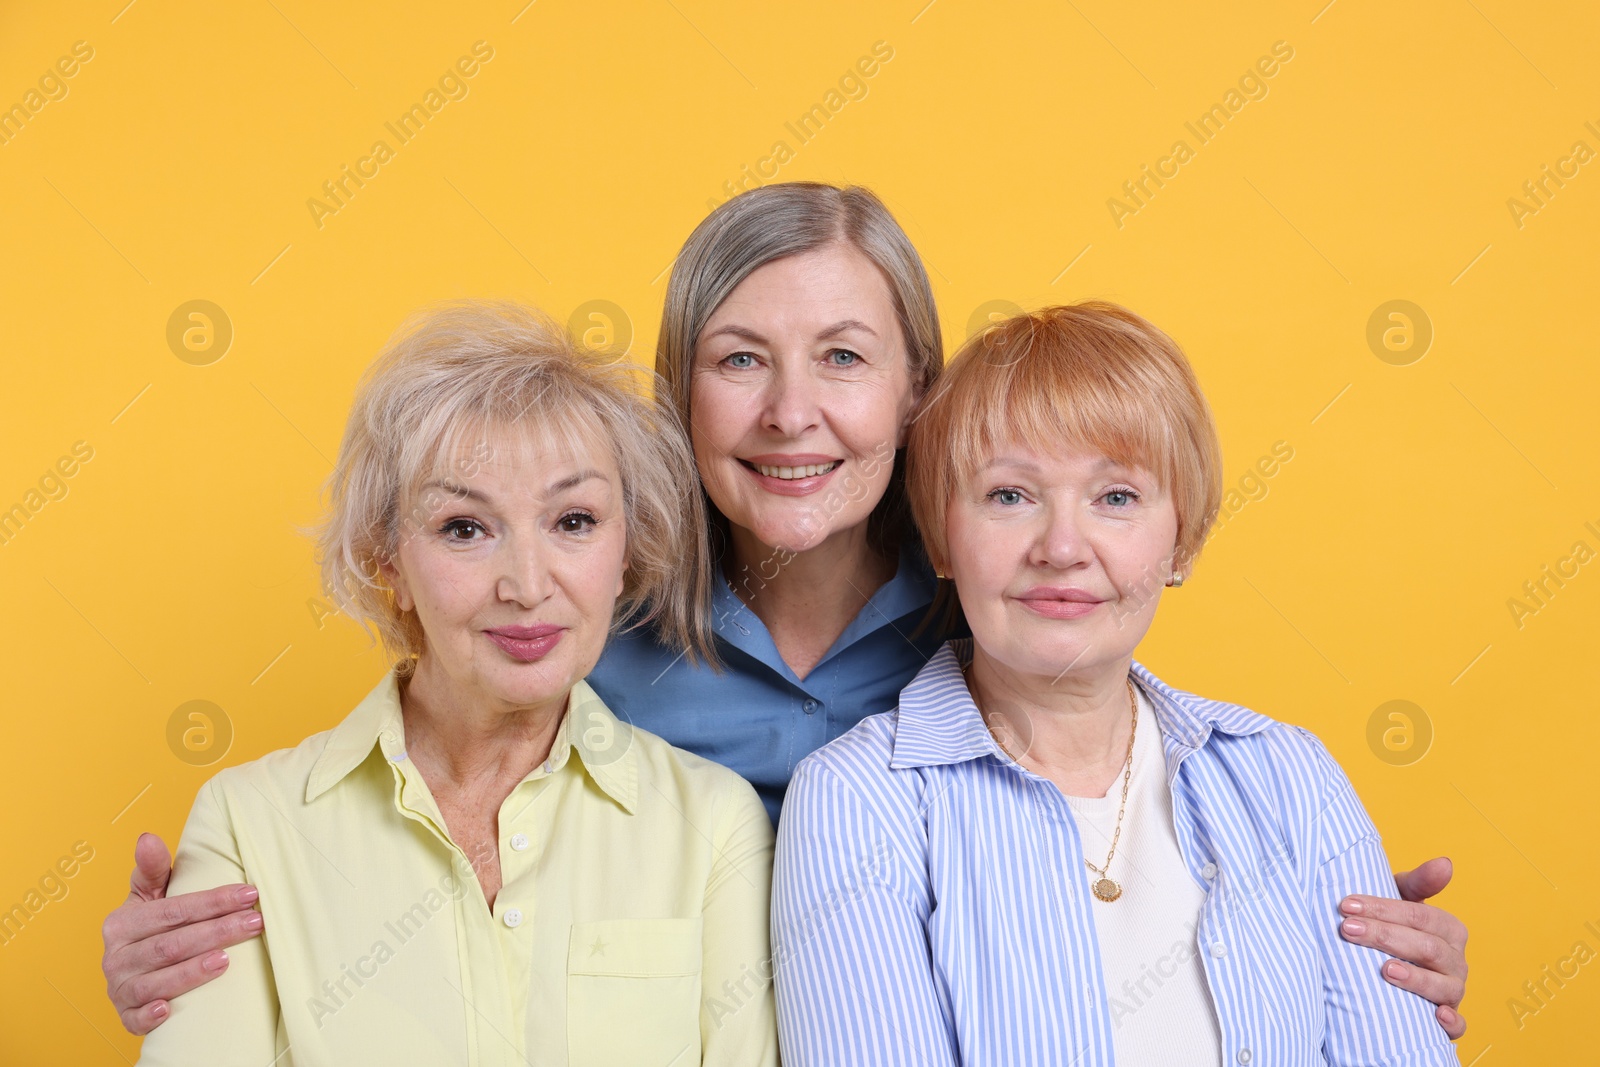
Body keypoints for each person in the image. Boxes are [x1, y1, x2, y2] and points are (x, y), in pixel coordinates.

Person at [101, 183, 1469, 1038]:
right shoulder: (574, 629)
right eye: (739, 360)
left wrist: (1348, 939)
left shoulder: (1005, 618)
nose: (789, 412)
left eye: (843, 359)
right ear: (677, 394)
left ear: (916, 395)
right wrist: (194, 951)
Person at [770, 303, 1459, 1065]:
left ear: (1182, 540)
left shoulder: (1291, 776)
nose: (1062, 547)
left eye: (1117, 498)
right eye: (1009, 495)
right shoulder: (858, 800)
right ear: (941, 535)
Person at [133, 303, 776, 1066]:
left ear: (627, 549)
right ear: (386, 559)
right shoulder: (249, 827)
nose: (528, 584)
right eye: (465, 528)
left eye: (573, 520)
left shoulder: (713, 826)